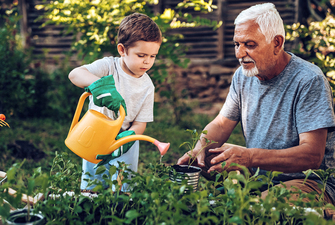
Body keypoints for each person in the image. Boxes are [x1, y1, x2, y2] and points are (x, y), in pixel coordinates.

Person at [177, 2, 335, 218]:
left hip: (310, 181)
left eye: (249, 45)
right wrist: (199, 148)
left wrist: (249, 157)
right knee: (215, 181)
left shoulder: (309, 80)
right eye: (236, 44)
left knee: (255, 210)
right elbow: (221, 123)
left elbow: (312, 156)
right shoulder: (242, 76)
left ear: (277, 43)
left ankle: (323, 214)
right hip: (259, 175)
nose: (240, 53)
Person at [69, 13, 162, 192]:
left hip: (125, 138)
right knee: (92, 184)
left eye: (152, 56)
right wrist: (99, 86)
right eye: (141, 55)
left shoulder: (147, 86)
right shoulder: (109, 66)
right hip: (95, 133)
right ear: (122, 50)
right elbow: (74, 74)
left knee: (123, 186)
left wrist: (126, 139)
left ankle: (120, 209)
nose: (147, 61)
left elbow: (140, 124)